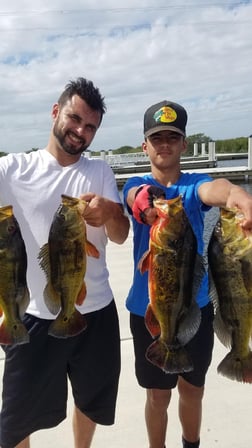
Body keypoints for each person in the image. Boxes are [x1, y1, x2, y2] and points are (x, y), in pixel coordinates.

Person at [0, 77, 130, 448]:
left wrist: (109, 212)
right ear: (56, 112)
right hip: (34, 314)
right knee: (16, 418)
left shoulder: (99, 172)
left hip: (96, 311)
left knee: (90, 400)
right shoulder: (12, 169)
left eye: (90, 127)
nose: (80, 131)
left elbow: (120, 235)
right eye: (74, 119)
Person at [123, 99, 252, 448]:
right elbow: (134, 193)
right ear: (145, 145)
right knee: (157, 397)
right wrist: (143, 199)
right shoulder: (136, 183)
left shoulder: (195, 187)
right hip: (147, 309)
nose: (165, 144)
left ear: (183, 143)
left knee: (193, 391)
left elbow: (219, 190)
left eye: (172, 137)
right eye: (157, 137)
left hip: (194, 306)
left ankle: (190, 444)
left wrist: (240, 196)